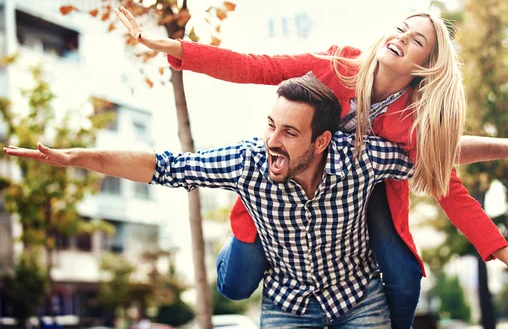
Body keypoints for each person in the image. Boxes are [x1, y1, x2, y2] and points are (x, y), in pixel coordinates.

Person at [115, 7, 508, 328]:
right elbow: (256, 67)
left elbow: (447, 180)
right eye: (400, 28)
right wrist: (173, 48)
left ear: (426, 66)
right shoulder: (336, 67)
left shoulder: (415, 119)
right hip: (284, 190)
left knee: (402, 271)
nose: (400, 37)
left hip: (361, 192)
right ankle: (247, 244)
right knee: (236, 284)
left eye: (416, 40)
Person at [6, 74, 420, 327]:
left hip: (355, 295)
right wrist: (76, 157)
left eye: (290, 133)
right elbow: (164, 165)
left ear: (322, 141)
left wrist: (489, 147)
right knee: (234, 281)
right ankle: (240, 239)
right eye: (271, 126)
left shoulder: (360, 156)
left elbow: (439, 152)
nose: (272, 142)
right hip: (289, 300)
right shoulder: (247, 161)